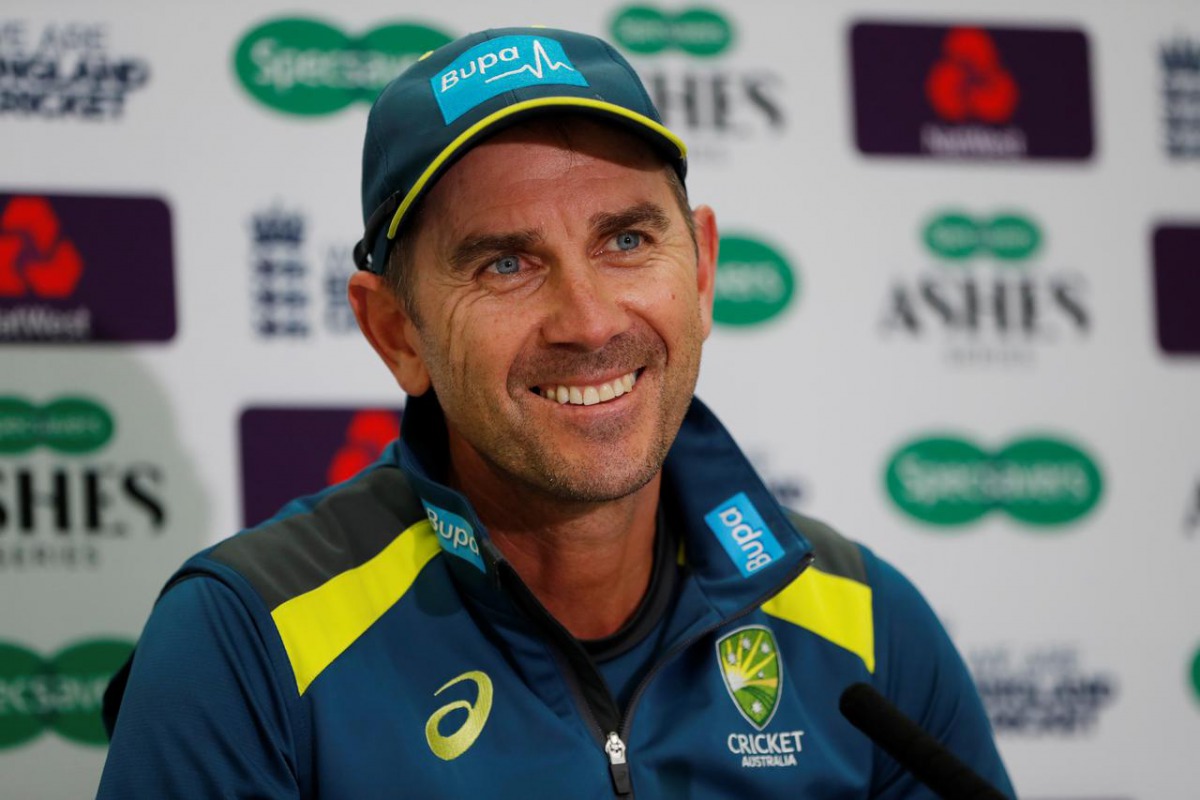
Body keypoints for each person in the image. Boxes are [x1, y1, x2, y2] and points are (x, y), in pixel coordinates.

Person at [98, 26, 1014, 798]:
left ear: (699, 271)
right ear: (395, 331)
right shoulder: (248, 643)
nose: (588, 322)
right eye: (505, 263)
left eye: (625, 240)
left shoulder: (864, 626)